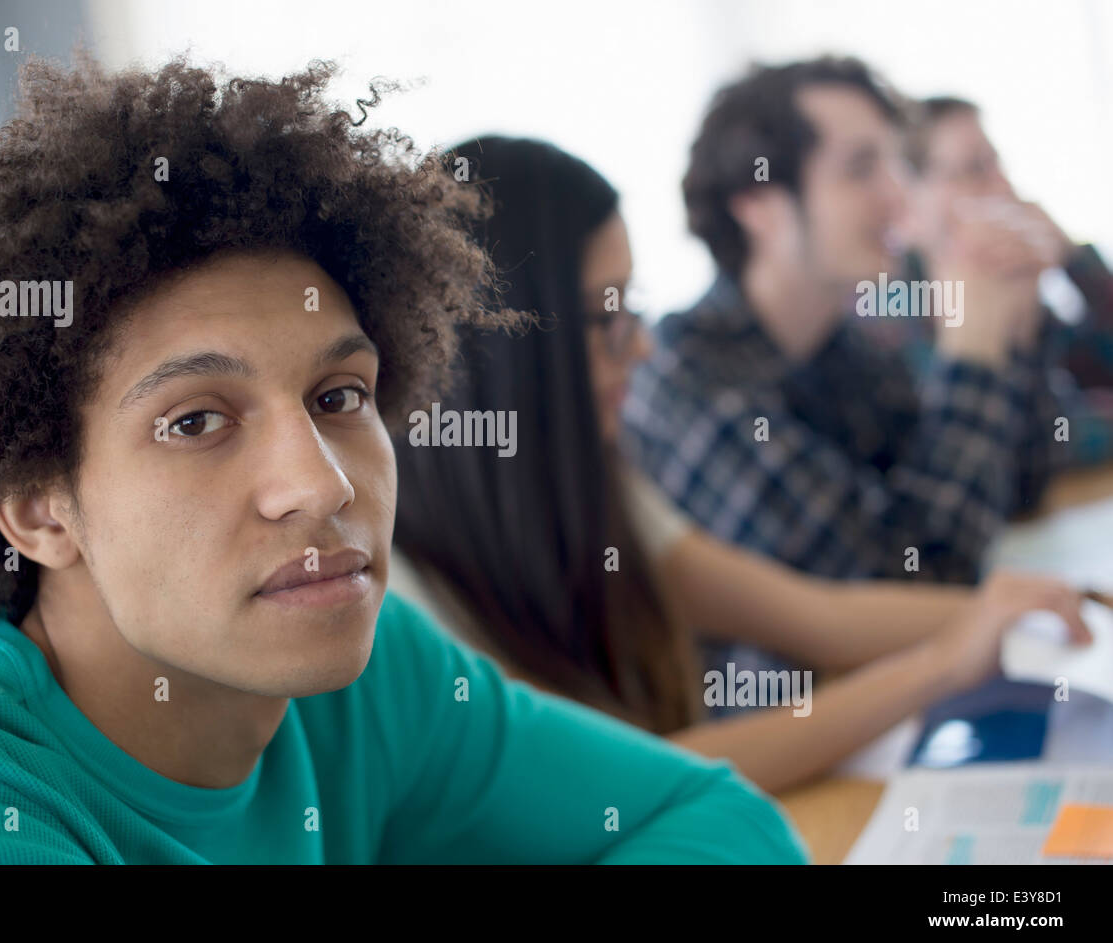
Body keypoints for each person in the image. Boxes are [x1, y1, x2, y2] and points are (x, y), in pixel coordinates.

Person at [0, 56, 808, 865]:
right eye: (196, 421)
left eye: (338, 399)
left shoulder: (365, 669)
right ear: (36, 507)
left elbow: (723, 823)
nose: (323, 483)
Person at [390, 136, 1093, 794]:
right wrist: (941, 662)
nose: (639, 348)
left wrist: (1034, 608)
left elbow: (820, 610)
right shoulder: (398, 593)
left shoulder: (605, 478)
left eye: (632, 307)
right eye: (607, 318)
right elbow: (607, 780)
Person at [623, 56, 1065, 585]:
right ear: (759, 203)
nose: (901, 196)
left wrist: (1012, 322)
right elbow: (909, 577)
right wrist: (969, 346)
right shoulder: (688, 379)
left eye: (896, 164)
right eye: (860, 168)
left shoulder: (846, 348)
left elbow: (1018, 487)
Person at [889, 95, 1113, 466]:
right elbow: (993, 450)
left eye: (997, 162)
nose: (1003, 185)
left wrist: (1073, 258)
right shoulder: (889, 309)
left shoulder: (1021, 294)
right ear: (909, 203)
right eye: (975, 168)